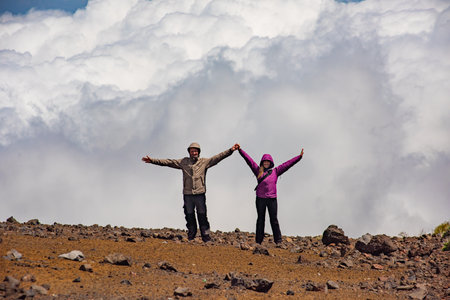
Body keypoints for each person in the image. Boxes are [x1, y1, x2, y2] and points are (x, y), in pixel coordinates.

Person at [142, 142, 239, 242]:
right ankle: (191, 235)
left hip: (200, 194)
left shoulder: (204, 162)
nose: (194, 153)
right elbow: (168, 162)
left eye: (196, 151)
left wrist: (231, 150)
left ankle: (206, 236)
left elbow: (218, 157)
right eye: (192, 151)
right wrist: (152, 160)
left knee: (202, 215)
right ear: (189, 152)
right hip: (188, 194)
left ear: (199, 152)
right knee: (189, 215)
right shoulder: (183, 162)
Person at [238, 146, 304, 244]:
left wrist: (299, 157)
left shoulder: (276, 171)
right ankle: (258, 241)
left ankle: (278, 241)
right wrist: (240, 150)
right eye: (265, 161)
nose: (266, 163)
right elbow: (249, 160)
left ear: (271, 163)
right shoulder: (257, 170)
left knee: (274, 220)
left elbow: (287, 164)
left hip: (272, 199)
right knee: (260, 220)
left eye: (268, 161)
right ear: (262, 162)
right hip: (260, 199)